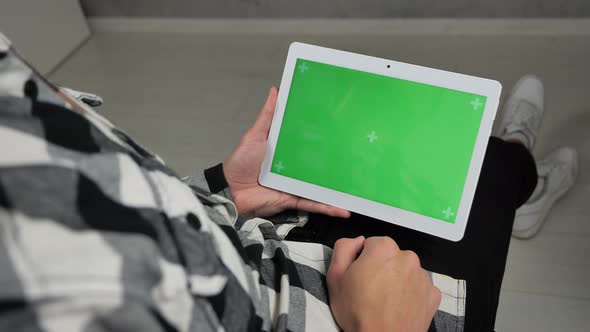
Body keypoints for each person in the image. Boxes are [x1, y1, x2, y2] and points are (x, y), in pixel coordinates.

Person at [0, 33, 577, 332]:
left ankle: (516, 169)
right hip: (355, 318)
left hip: (239, 240)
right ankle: (521, 171)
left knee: (416, 172)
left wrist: (219, 190)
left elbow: (101, 200)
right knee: (485, 180)